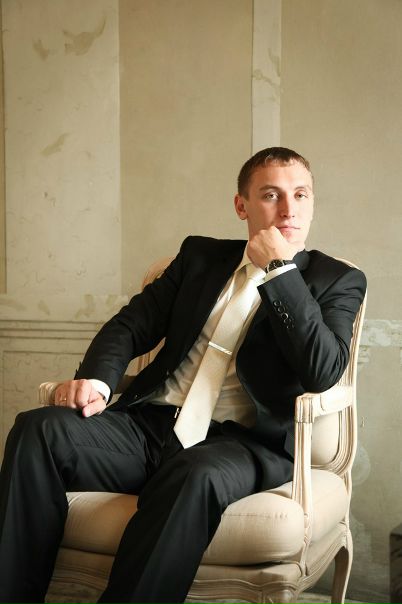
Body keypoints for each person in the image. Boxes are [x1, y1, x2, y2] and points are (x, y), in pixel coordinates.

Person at [0, 147, 366, 604]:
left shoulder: (337, 280)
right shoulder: (200, 257)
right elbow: (130, 325)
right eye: (271, 195)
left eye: (301, 195)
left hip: (241, 443)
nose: (289, 209)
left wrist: (280, 270)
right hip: (148, 428)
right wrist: (97, 381)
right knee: (37, 429)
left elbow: (322, 370)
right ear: (242, 205)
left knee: (195, 474)